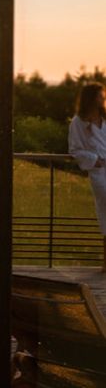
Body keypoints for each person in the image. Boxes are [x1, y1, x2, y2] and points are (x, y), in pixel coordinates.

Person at [68, 82, 106, 272]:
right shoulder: (78, 122)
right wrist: (95, 160)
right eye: (100, 96)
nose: (103, 98)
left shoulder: (105, 118)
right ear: (91, 98)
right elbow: (74, 149)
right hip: (99, 172)